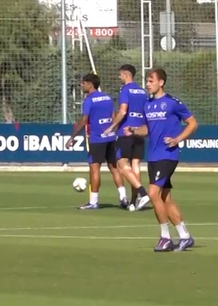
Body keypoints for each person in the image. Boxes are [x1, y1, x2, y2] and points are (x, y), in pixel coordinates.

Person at [124, 67, 198, 252]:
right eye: (147, 81)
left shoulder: (172, 103)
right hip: (154, 156)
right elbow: (147, 130)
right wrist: (134, 131)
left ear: (161, 83)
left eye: (151, 81)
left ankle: (165, 237)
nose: (148, 84)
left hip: (168, 154)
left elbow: (193, 123)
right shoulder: (147, 104)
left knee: (153, 194)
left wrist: (178, 139)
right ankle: (185, 236)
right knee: (165, 198)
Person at [70, 73, 128, 210]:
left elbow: (84, 121)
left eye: (83, 83)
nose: (81, 85)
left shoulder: (89, 100)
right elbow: (114, 116)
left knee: (94, 169)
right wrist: (114, 131)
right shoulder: (107, 97)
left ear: (90, 84)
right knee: (114, 168)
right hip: (110, 138)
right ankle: (123, 197)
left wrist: (72, 137)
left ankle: (93, 201)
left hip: (97, 138)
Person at [102, 64, 151, 211]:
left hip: (126, 131)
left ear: (126, 75)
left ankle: (143, 193)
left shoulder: (125, 90)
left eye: (120, 75)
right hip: (139, 131)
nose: (119, 77)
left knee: (122, 165)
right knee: (135, 165)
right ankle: (133, 202)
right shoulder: (142, 91)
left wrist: (112, 126)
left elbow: (123, 111)